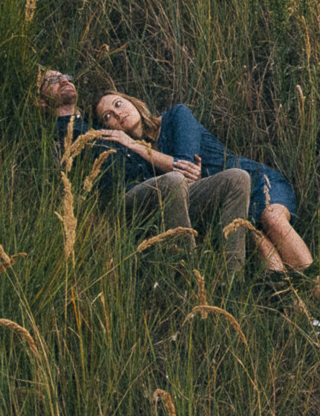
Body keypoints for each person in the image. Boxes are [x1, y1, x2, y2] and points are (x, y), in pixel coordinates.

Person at [35, 70, 251, 270]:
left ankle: (231, 276)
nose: (63, 80)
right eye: (52, 80)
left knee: (237, 178)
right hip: (123, 203)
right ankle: (188, 275)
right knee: (174, 181)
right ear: (42, 102)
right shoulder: (56, 134)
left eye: (65, 76)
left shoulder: (96, 127)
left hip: (160, 191)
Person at [94, 91, 314, 276]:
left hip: (257, 183)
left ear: (131, 100)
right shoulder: (136, 162)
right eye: (108, 116)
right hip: (230, 206)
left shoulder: (176, 116)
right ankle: (303, 315)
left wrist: (135, 145)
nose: (118, 113)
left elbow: (185, 165)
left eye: (118, 103)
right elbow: (180, 181)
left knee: (272, 219)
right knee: (265, 251)